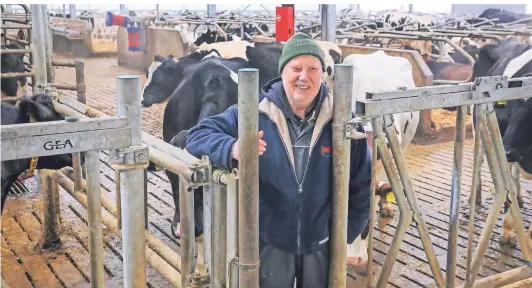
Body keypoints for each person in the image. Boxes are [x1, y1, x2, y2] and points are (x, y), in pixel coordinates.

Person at [185, 32, 372, 288]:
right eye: (296, 68)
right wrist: (232, 147)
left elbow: (361, 182)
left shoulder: (341, 120)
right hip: (271, 240)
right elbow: (197, 135)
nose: (303, 77)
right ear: (283, 71)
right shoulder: (255, 111)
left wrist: (345, 234)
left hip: (321, 241)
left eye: (312, 69)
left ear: (323, 72)